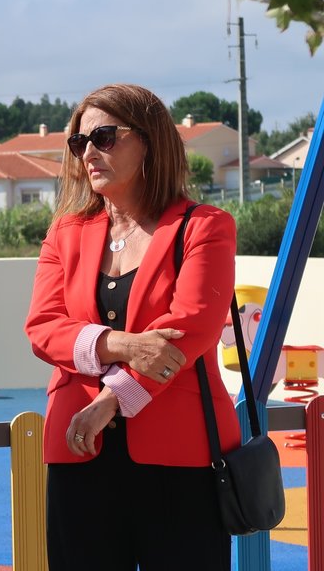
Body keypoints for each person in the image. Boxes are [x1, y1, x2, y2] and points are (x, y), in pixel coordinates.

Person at [23, 83, 240, 570]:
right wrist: (117, 343)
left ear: (150, 140)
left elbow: (191, 330)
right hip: (78, 452)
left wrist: (110, 400)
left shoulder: (205, 226)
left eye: (103, 137)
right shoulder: (65, 231)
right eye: (79, 143)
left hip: (181, 460)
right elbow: (42, 327)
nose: (89, 153)